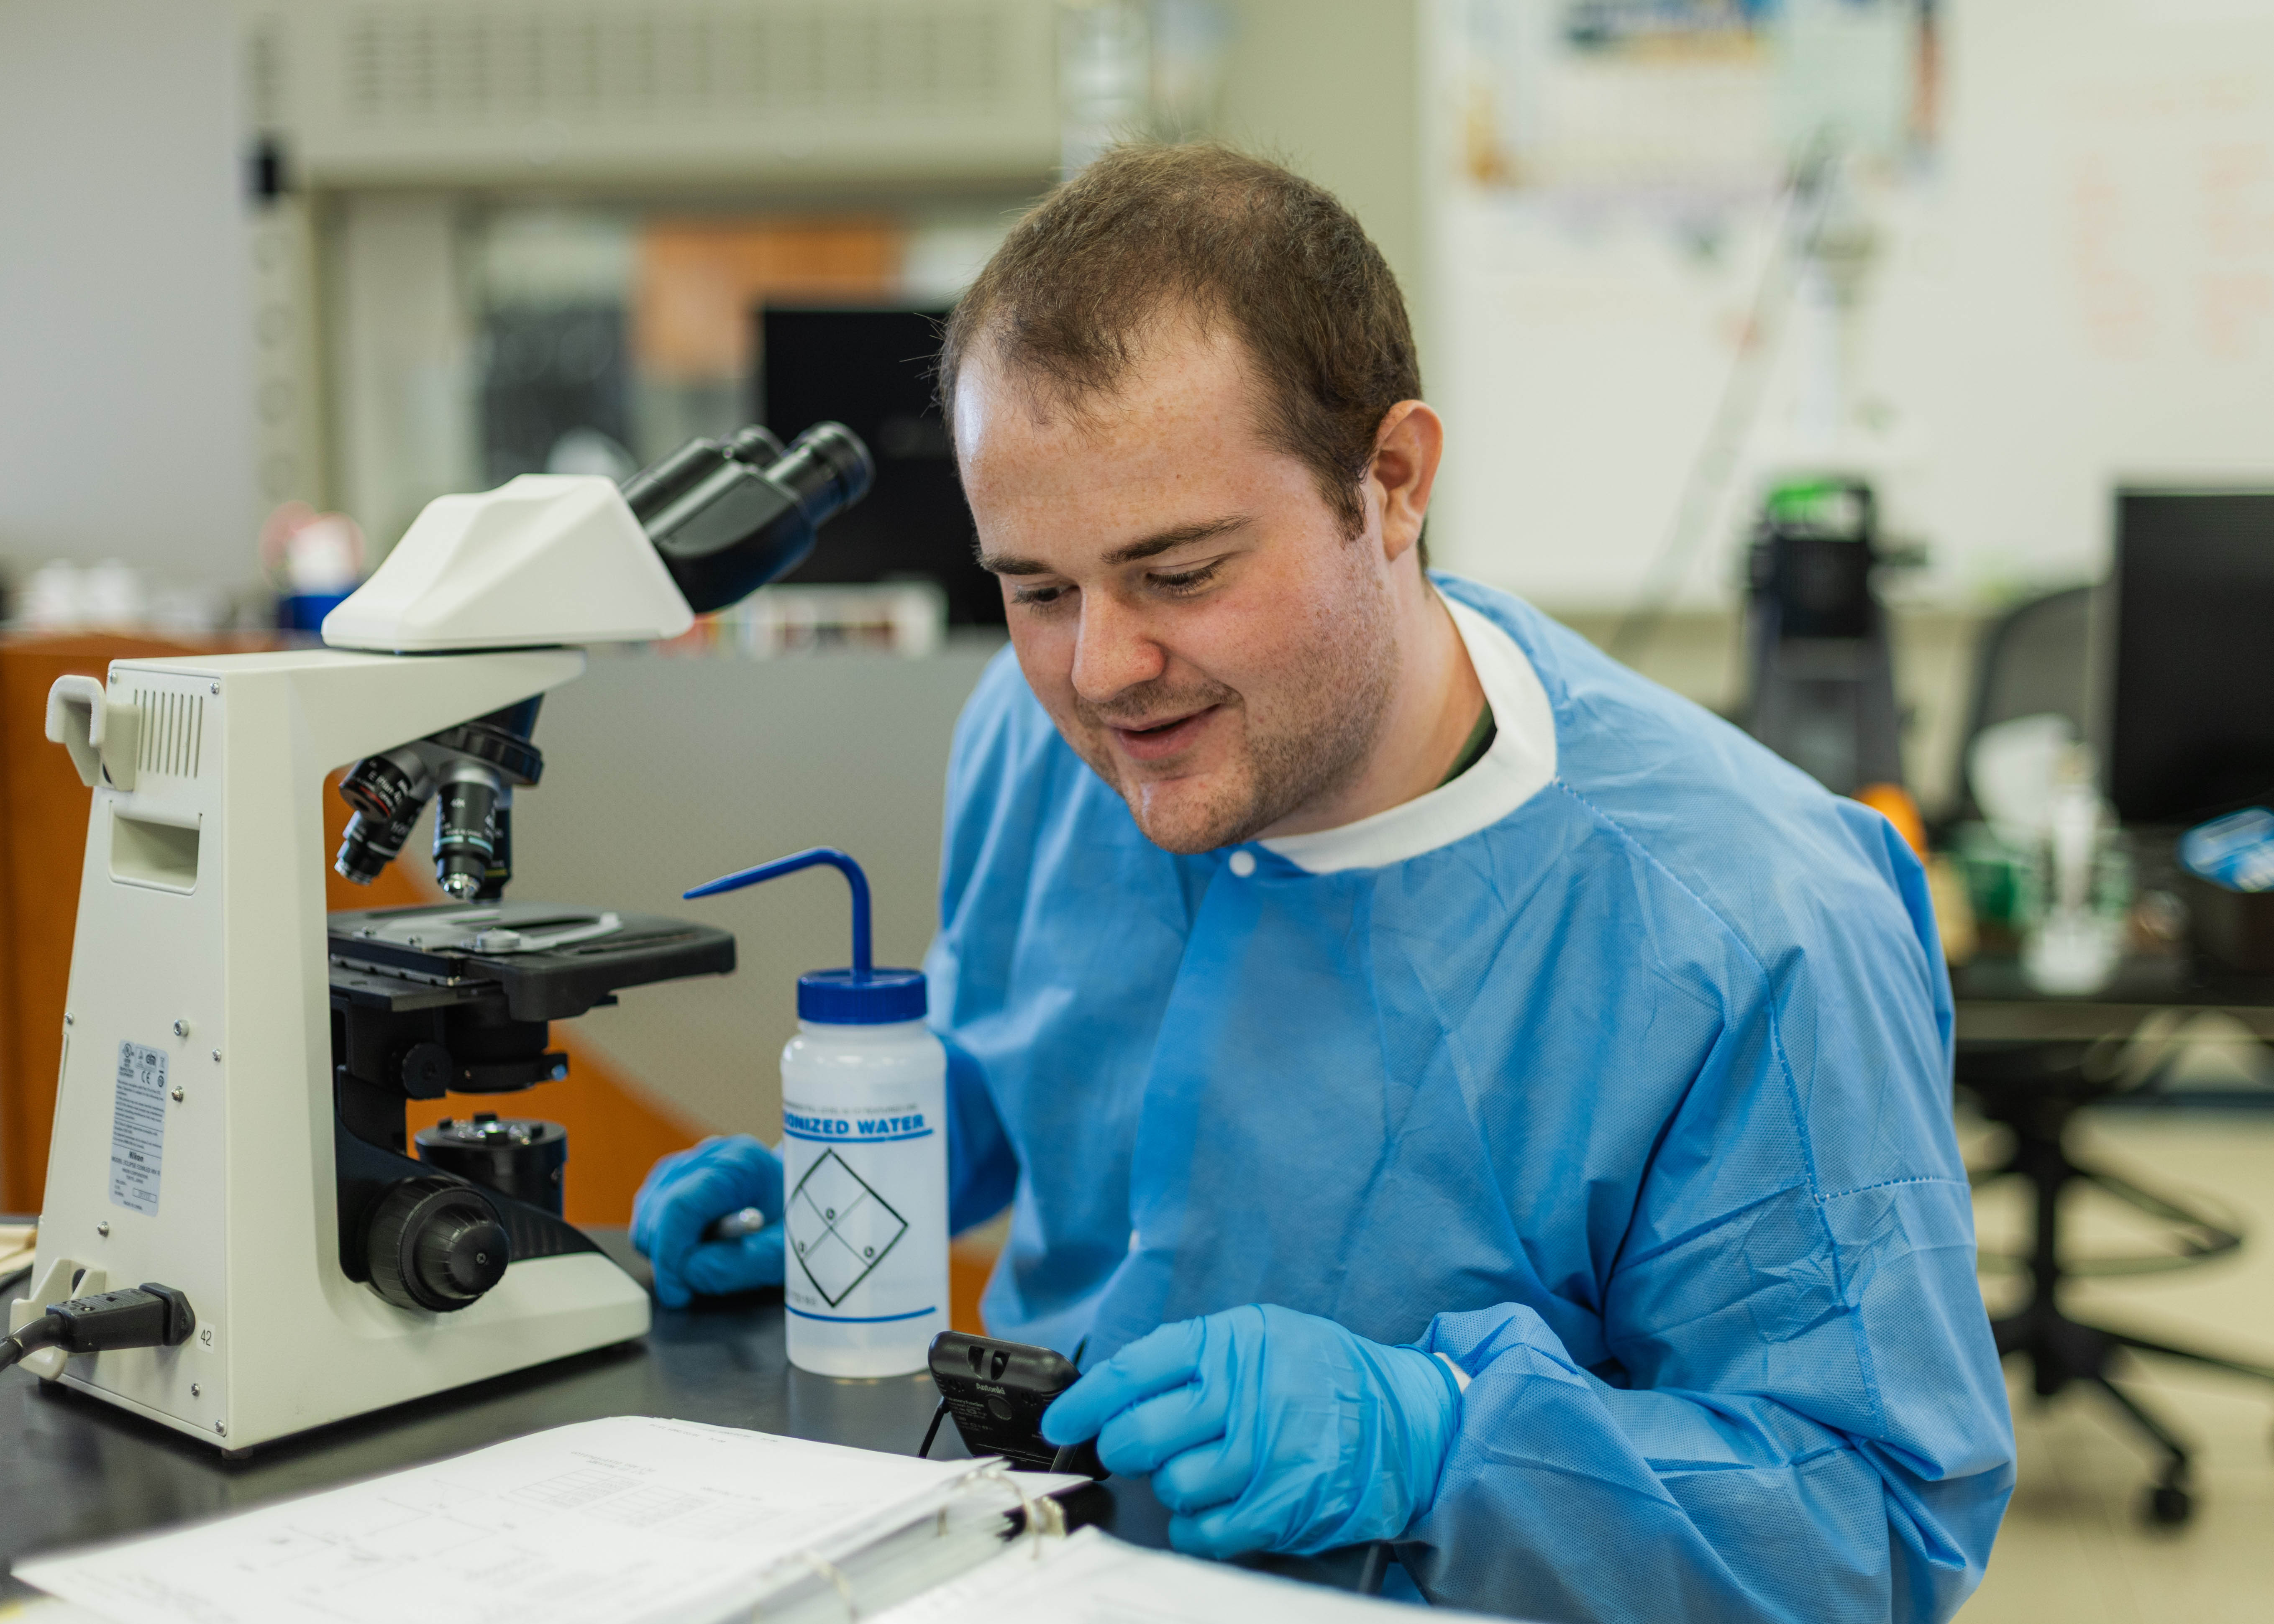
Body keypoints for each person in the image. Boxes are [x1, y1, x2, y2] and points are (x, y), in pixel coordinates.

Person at [633, 144, 2013, 1622]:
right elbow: (1036, 1059)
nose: (1101, 670)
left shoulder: (1743, 922)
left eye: (1179, 573)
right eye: (1035, 588)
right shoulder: (1043, 740)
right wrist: (877, 1170)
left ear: (1392, 482)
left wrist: (1436, 1444)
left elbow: (1871, 1534)